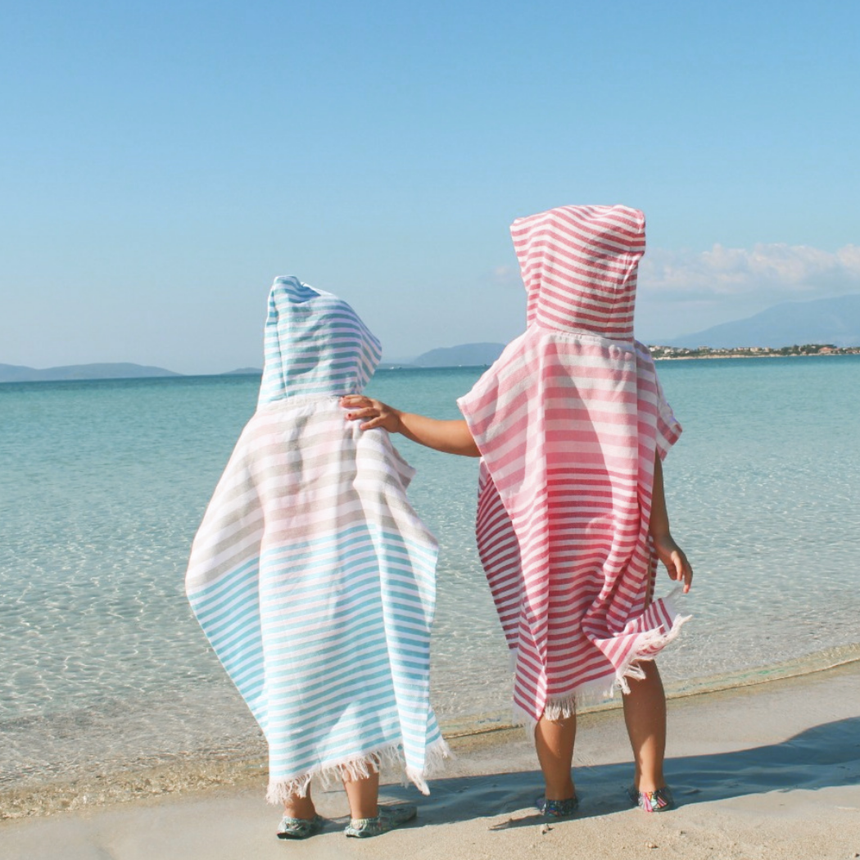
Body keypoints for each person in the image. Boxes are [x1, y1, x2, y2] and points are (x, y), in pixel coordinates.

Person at [344, 204, 693, 816]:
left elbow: (477, 436)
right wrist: (661, 533)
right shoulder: (634, 357)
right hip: (623, 533)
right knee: (635, 654)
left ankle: (559, 795)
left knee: (550, 663)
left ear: (548, 271)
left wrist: (398, 421)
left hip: (546, 537)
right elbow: (650, 451)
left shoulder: (533, 352)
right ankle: (650, 785)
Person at [186, 277, 449, 840]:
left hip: (279, 592)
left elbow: (230, 517)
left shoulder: (260, 429)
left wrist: (214, 575)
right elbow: (384, 489)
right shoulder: (351, 415)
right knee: (358, 686)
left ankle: (298, 814)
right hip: (347, 580)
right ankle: (363, 814)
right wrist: (408, 540)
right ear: (343, 351)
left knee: (290, 693)